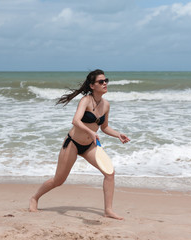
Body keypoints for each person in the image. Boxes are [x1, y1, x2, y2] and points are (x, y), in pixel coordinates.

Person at [29, 69, 130, 220]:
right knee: (59, 180)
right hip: (73, 143)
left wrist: (118, 135)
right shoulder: (85, 101)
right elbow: (75, 121)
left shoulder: (106, 105)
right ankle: (34, 198)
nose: (105, 84)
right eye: (101, 82)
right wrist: (90, 132)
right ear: (92, 86)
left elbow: (104, 127)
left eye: (106, 80)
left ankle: (108, 210)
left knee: (109, 173)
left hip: (89, 146)